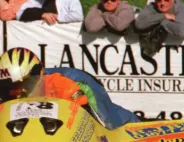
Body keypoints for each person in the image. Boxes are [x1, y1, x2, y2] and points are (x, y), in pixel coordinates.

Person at [0, 47, 139, 129]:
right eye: (8, 88)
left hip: (82, 85)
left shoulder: (64, 85)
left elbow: (93, 131)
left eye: (22, 86)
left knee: (109, 125)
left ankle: (138, 124)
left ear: (38, 76)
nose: (16, 94)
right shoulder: (5, 94)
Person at [16, 0, 83, 24]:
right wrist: (41, 14)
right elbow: (19, 14)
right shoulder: (38, 1)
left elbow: (78, 16)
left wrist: (56, 17)